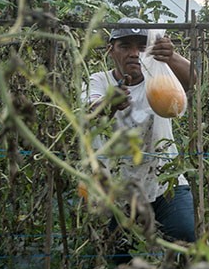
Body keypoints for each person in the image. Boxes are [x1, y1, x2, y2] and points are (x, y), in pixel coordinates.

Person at [83, 17, 196, 248]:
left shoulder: (161, 80)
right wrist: (110, 103)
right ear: (111, 50)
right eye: (125, 46)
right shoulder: (99, 80)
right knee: (117, 252)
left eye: (142, 46)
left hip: (164, 182)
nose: (135, 53)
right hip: (117, 187)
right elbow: (91, 115)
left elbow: (193, 81)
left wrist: (171, 56)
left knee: (185, 237)